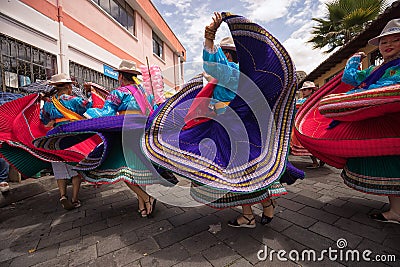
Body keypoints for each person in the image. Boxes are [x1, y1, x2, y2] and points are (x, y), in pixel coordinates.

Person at [340, 18, 400, 224]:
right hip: (380, 122)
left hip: (394, 121)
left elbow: (388, 86)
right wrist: (353, 61)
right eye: (384, 42)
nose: (388, 45)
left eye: (395, 40)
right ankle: (396, 211)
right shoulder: (374, 70)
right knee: (389, 161)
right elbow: (350, 79)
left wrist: (364, 91)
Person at [83, 59, 158, 218]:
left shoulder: (119, 93)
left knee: (123, 171)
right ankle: (142, 204)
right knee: (138, 169)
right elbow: (154, 112)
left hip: (126, 134)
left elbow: (106, 114)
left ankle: (146, 198)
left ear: (120, 76)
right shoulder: (146, 94)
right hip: (143, 132)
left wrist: (88, 116)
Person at [40, 73, 92, 210]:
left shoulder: (49, 103)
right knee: (75, 163)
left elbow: (44, 119)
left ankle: (63, 195)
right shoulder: (73, 100)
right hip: (72, 133)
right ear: (69, 87)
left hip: (55, 135)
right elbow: (88, 105)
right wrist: (90, 92)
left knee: (59, 164)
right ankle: (74, 199)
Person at [291, 81, 324, 169]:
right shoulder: (302, 100)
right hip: (301, 124)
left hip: (310, 125)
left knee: (309, 144)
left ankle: (316, 161)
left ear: (311, 90)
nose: (303, 91)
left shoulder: (314, 100)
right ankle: (318, 160)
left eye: (305, 90)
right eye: (303, 90)